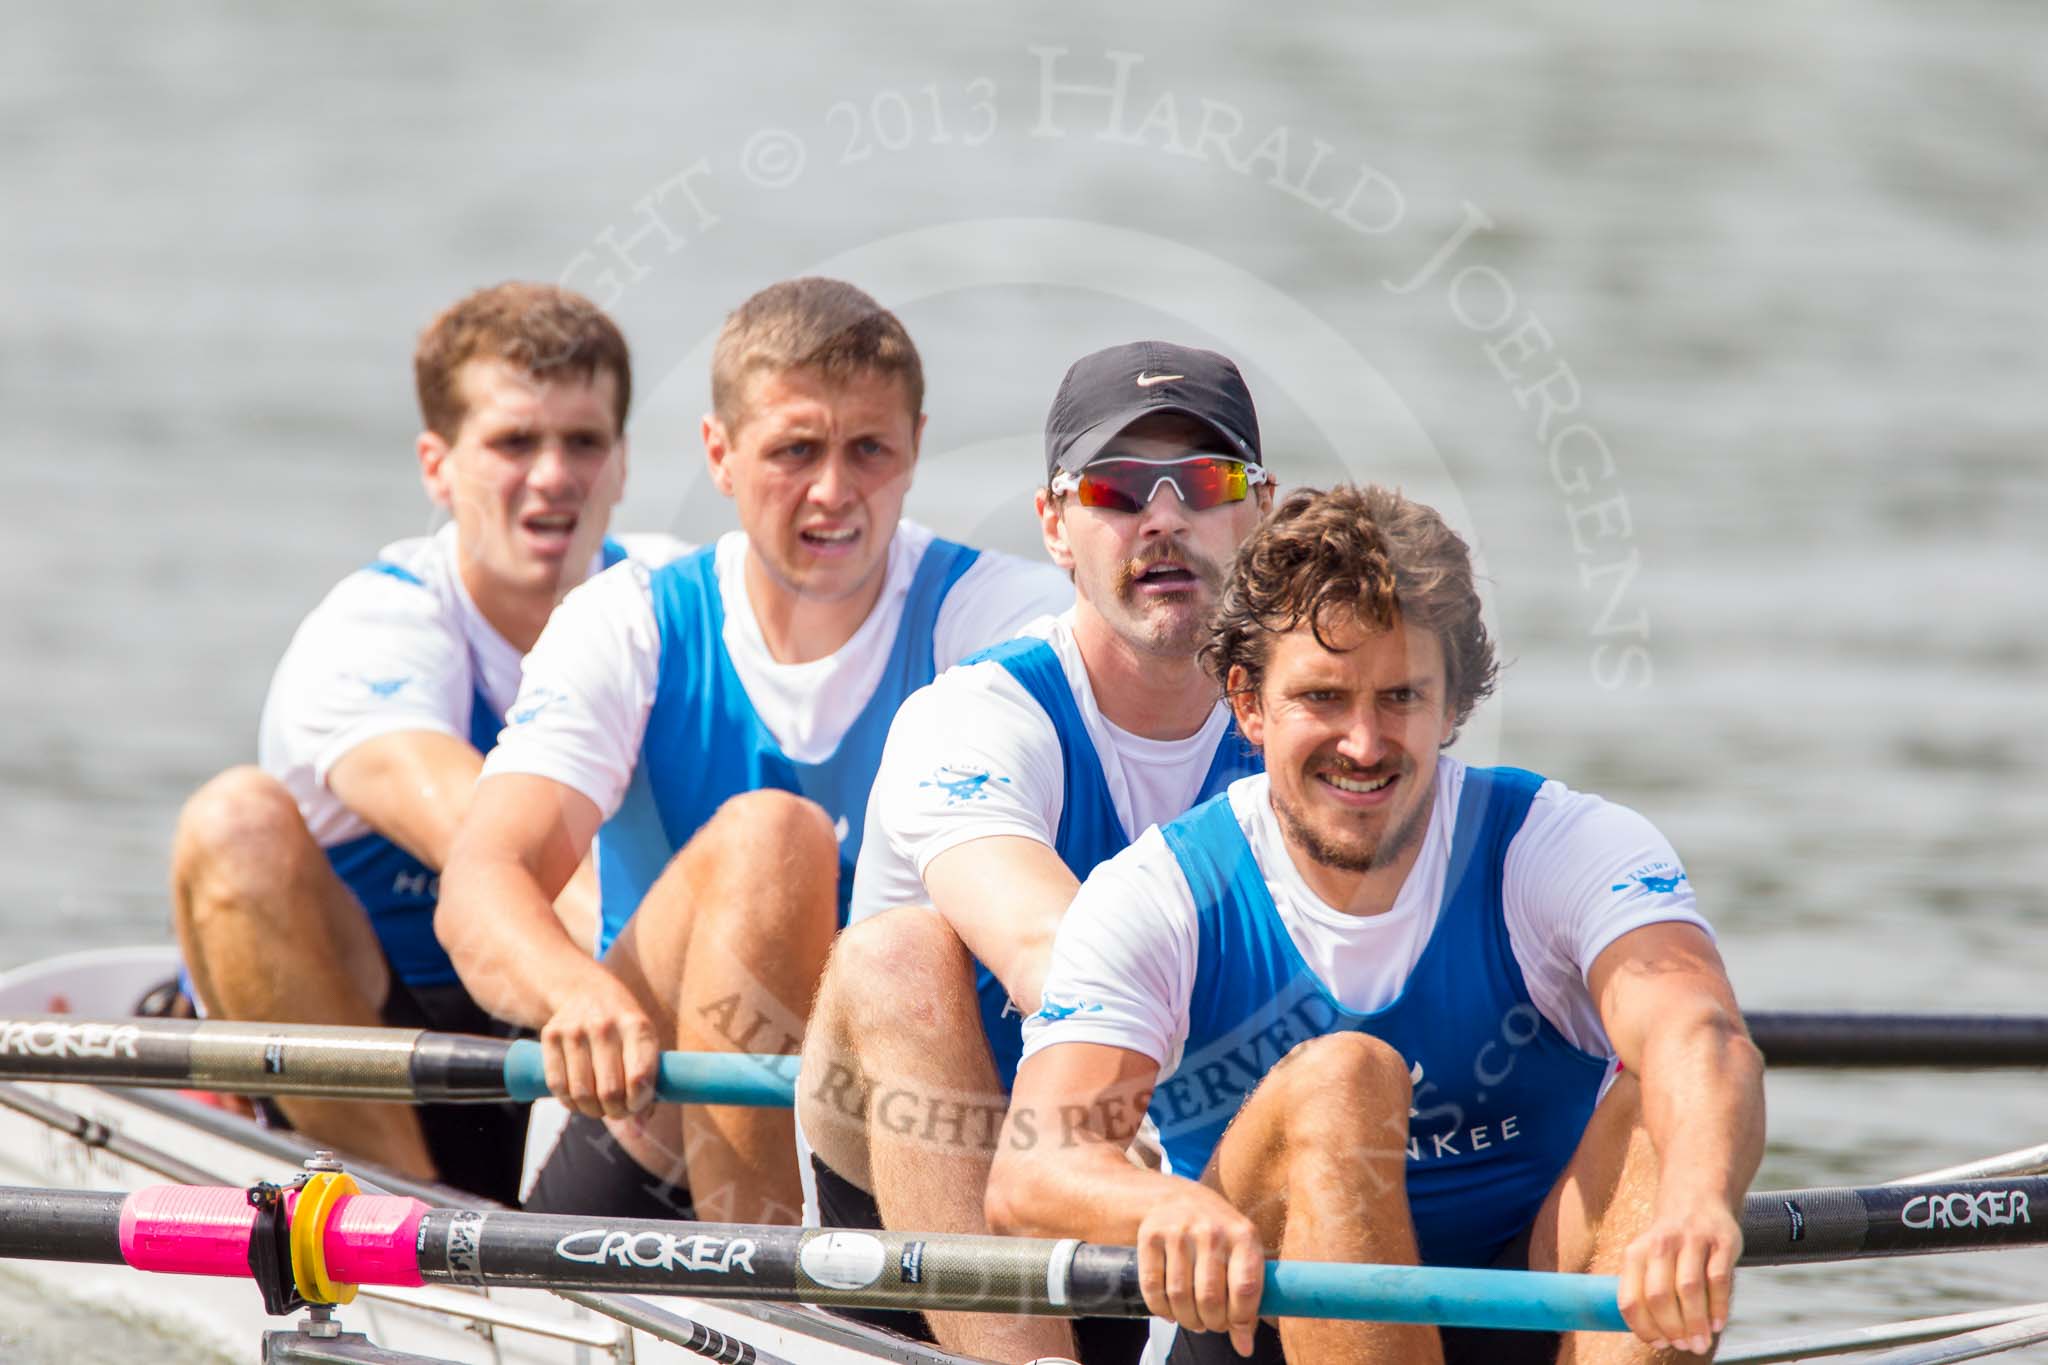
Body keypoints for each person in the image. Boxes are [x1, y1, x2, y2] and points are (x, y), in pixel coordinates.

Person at [989, 484, 1764, 1365]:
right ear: (1248, 703)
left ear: (1451, 704)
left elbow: (1704, 1036)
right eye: (1323, 696)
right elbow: (1032, 1169)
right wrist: (1159, 1206)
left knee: (1661, 1105)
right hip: (1259, 1330)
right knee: (1343, 1077)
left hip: (1526, 1312)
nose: (1363, 743)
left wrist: (1701, 1203)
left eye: (1399, 696)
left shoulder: (1562, 846)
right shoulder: (1161, 892)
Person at [437, 276, 1073, 1226]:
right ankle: (764, 1288)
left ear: (914, 449)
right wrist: (571, 993)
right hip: (650, 1127)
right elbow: (484, 884)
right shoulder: (632, 626)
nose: (833, 490)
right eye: (794, 451)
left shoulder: (994, 619)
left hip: (894, 1135)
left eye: (868, 450)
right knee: (773, 835)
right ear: (720, 454)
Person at [797, 342, 1273, 1363]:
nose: (1161, 519)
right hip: (920, 1221)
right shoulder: (973, 718)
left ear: (1258, 513)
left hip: (1178, 1210)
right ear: (1055, 526)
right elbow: (1046, 952)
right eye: (1114, 489)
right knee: (896, 956)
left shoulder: (1320, 734)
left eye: (1202, 481)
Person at [170, 282, 677, 1201]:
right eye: (515, 442)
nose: (555, 475)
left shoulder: (675, 594)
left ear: (625, 461)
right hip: (367, 1043)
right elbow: (493, 852)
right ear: (437, 466)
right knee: (232, 819)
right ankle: (407, 1227)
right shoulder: (377, 627)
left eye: (584, 442)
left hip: (570, 1042)